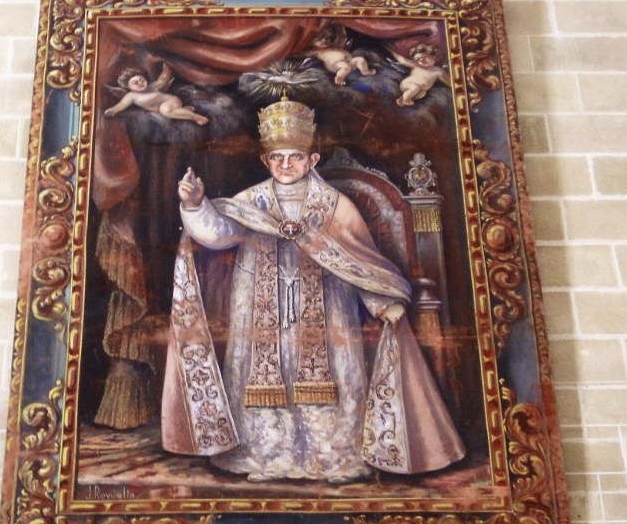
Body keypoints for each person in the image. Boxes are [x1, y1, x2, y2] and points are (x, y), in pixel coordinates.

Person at [161, 95, 464, 483]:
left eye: (295, 156)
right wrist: (195, 205)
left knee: (332, 380)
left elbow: (360, 261)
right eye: (278, 157)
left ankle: (331, 459)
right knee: (265, 383)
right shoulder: (251, 201)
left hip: (328, 309)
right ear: (266, 161)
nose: (286, 165)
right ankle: (266, 457)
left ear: (312, 159)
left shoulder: (334, 205)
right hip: (260, 311)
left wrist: (380, 301)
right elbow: (217, 234)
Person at [104, 64, 209, 125]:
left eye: (141, 80)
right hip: (163, 109)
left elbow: (163, 79)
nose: (140, 83)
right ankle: (184, 110)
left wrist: (166, 69)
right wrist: (112, 110)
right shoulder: (131, 96)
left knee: (165, 110)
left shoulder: (151, 87)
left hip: (171, 101)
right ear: (128, 86)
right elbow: (121, 105)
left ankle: (196, 117)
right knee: (165, 111)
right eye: (135, 83)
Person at [304, 27, 376, 86]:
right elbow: (303, 53)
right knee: (345, 67)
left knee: (360, 59)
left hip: (350, 62)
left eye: (327, 37)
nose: (324, 40)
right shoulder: (317, 51)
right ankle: (339, 77)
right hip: (336, 65)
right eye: (318, 38)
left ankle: (365, 71)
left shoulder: (334, 45)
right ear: (310, 42)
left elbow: (342, 36)